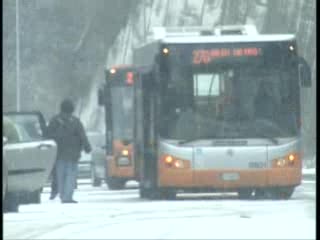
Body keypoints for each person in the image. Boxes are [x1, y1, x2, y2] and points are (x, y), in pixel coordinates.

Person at [47, 99, 91, 203]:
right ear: (72, 109)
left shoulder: (54, 120)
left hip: (58, 153)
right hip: (73, 154)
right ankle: (67, 196)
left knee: (60, 175)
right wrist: (87, 147)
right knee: (70, 175)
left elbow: (47, 135)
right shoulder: (75, 121)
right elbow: (82, 136)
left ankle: (63, 195)